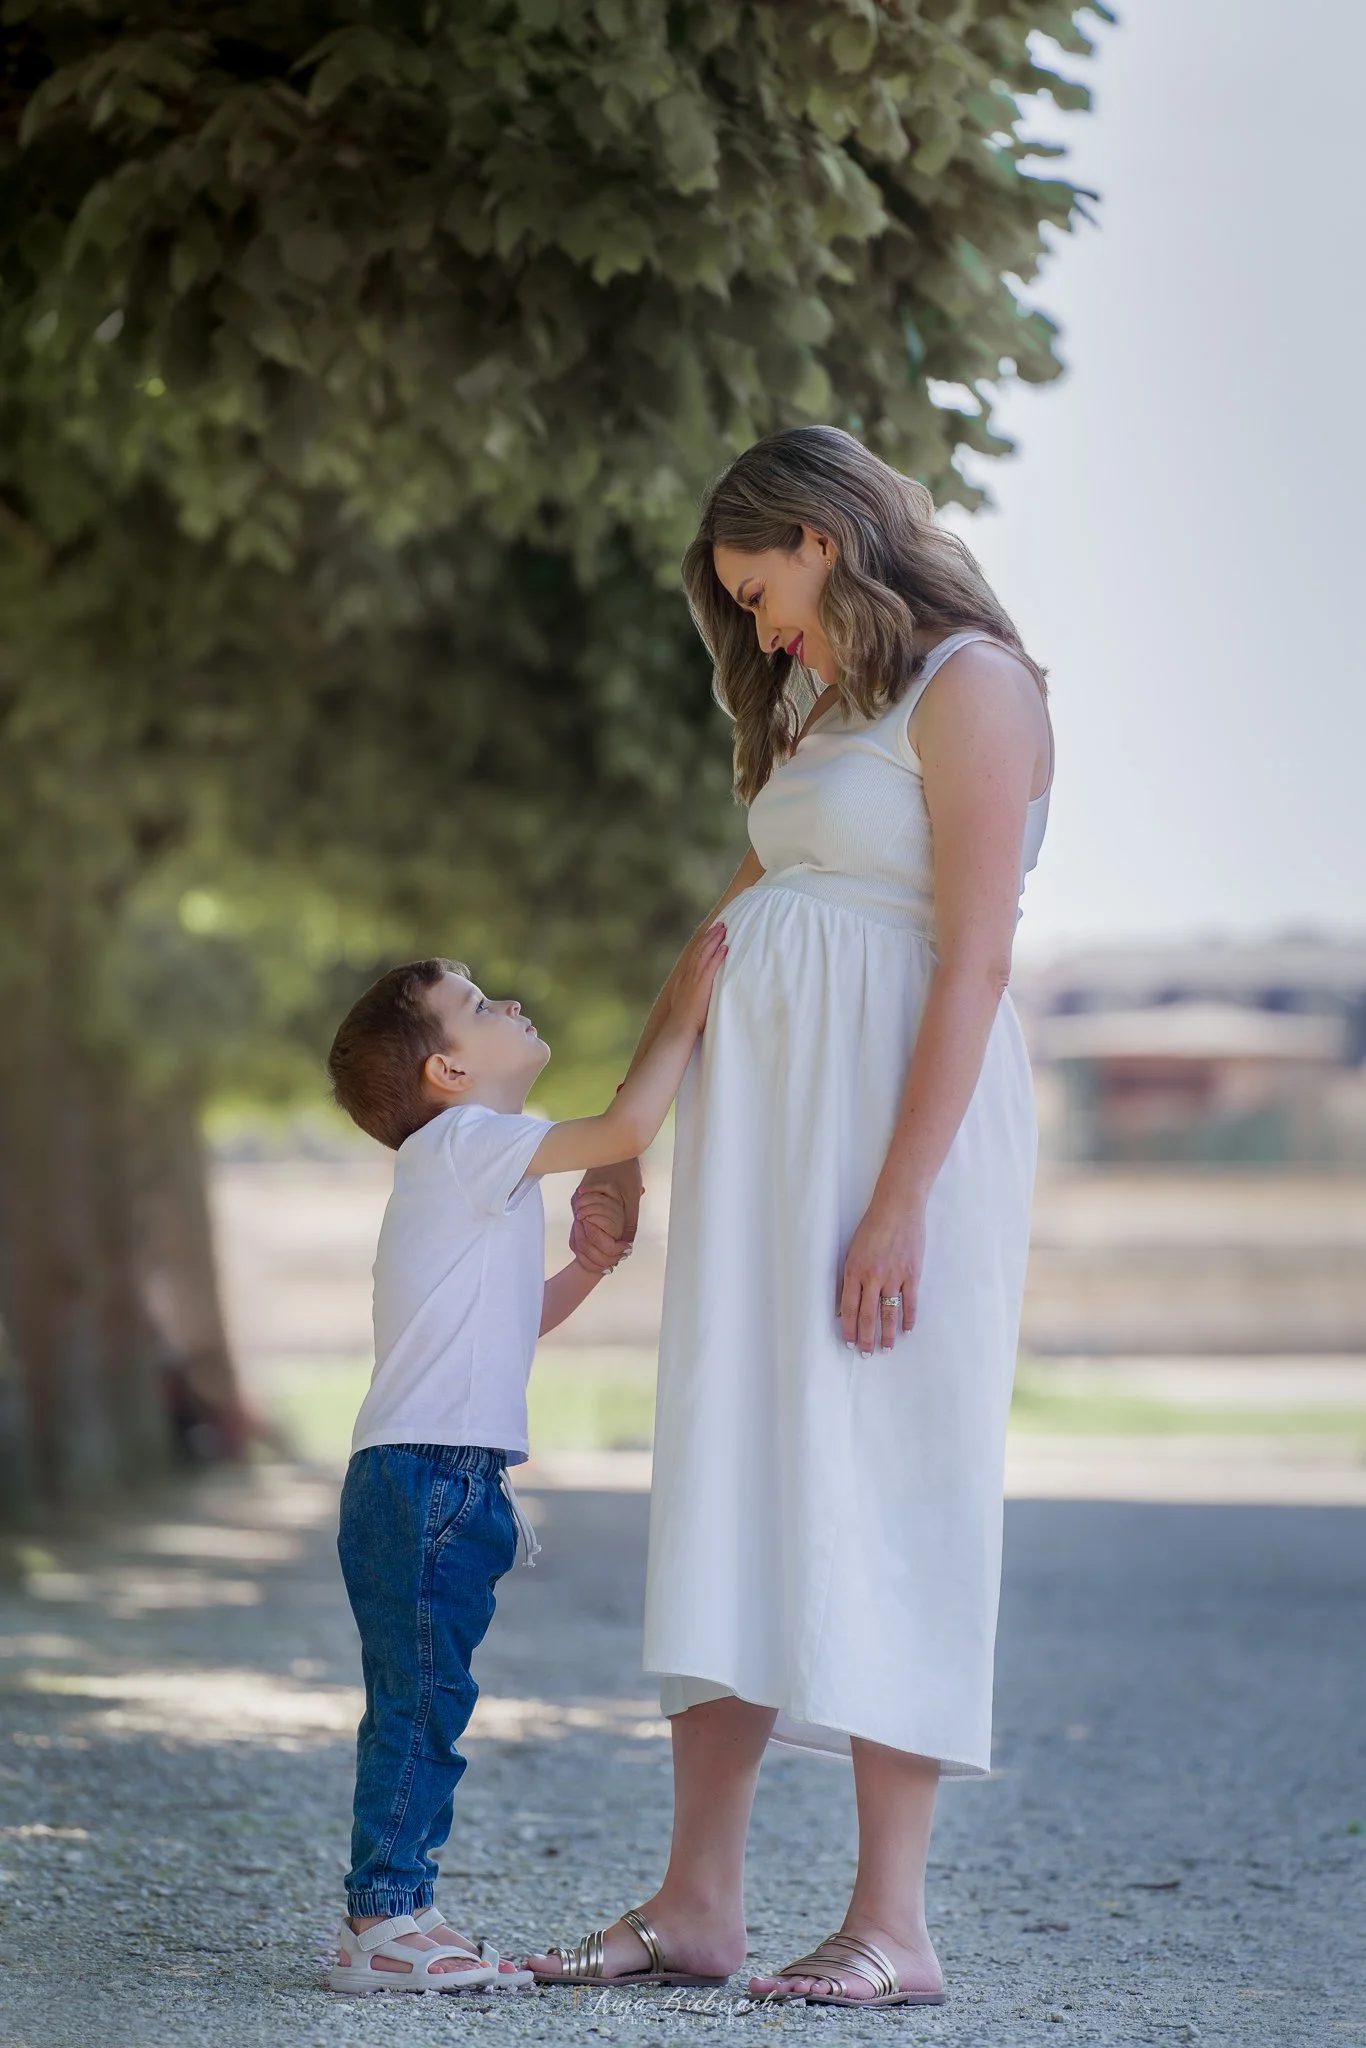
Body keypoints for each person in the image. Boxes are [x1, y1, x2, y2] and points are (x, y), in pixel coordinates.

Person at [525, 425, 1053, 2010]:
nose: (753, 629)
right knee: (734, 1464)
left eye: (758, 588)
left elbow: (970, 962)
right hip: (765, 1141)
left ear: (822, 538)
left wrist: (899, 1203)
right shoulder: (822, 703)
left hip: (903, 1134)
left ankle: (892, 1924)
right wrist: (626, 1131)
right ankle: (699, 1903)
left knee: (896, 1472)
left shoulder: (974, 685)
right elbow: (735, 922)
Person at [322, 933, 725, 1994]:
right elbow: (630, 1127)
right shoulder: (467, 1143)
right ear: (446, 1071)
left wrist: (584, 1270)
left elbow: (505, 1326)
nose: (511, 1004)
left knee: (424, 1700)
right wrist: (681, 1011)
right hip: (429, 1476)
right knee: (421, 1706)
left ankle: (398, 1905)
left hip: (437, 1476)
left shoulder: (468, 1165)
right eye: (481, 1003)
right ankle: (384, 1920)